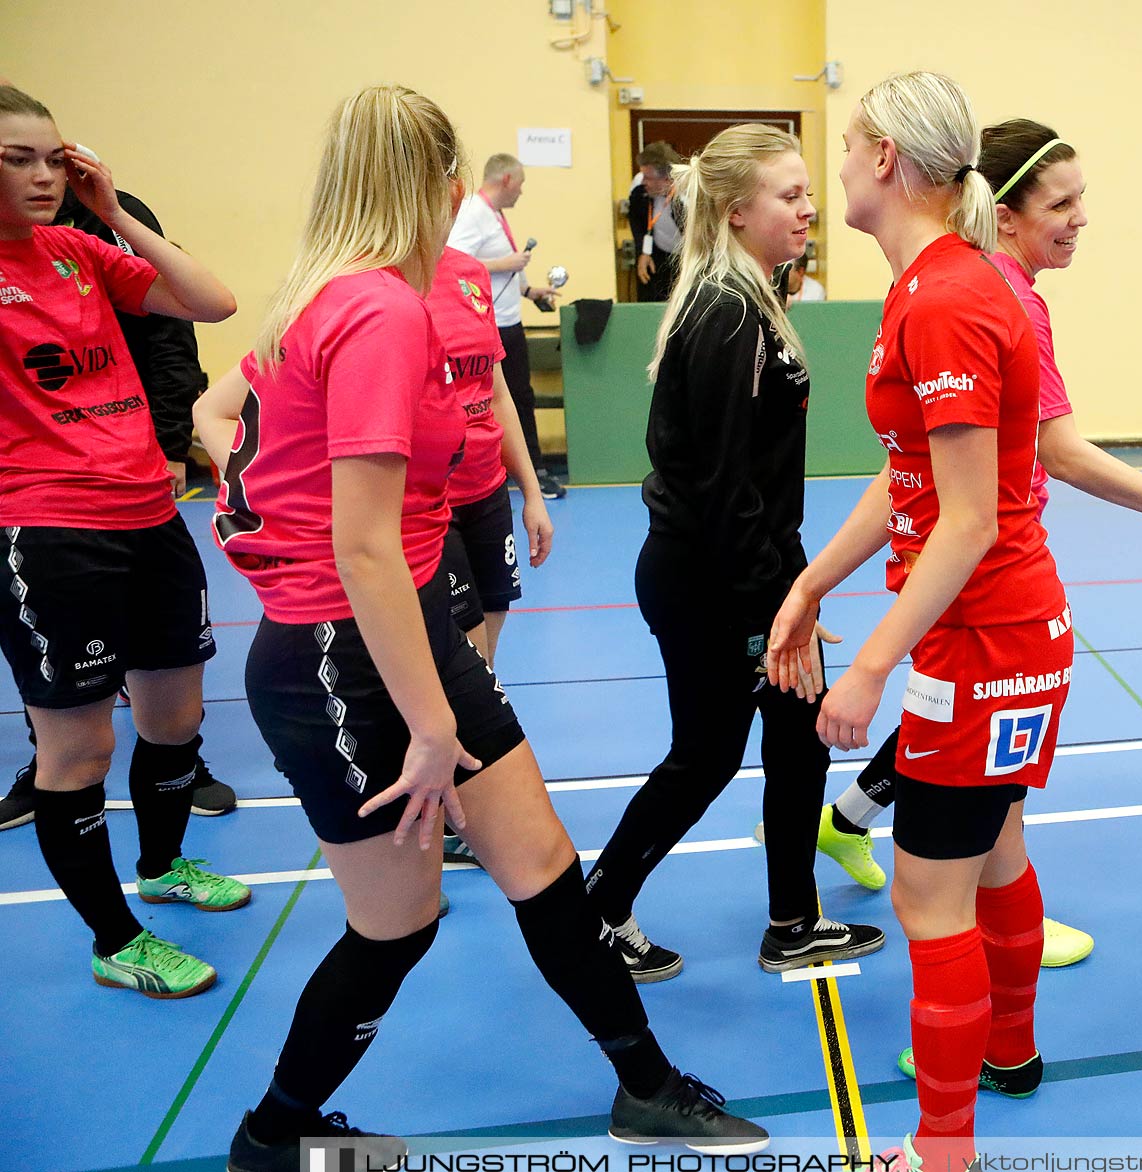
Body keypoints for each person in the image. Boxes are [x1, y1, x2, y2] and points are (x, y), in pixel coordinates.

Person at [191, 86, 765, 1171]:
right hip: (343, 655)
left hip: (405, 634)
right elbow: (360, 548)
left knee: (542, 861)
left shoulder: (331, 294)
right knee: (398, 923)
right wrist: (423, 724)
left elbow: (256, 445)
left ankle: (645, 1086)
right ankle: (275, 1134)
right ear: (442, 185)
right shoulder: (372, 307)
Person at [798, 119, 1142, 975]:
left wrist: (813, 588)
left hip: (989, 597)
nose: (1082, 216)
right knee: (968, 818)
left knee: (984, 797)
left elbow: (926, 472)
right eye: (1063, 201)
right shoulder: (985, 299)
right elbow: (1049, 455)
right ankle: (985, 989)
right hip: (989, 597)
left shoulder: (958, 290)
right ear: (1004, 216)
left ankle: (970, 950)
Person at [765, 72, 1069, 1172]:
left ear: (885, 157)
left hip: (984, 642)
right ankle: (1012, 1053)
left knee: (926, 892)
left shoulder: (946, 297)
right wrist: (811, 585)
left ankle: (943, 1149)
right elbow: (912, 484)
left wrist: (871, 667)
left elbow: (971, 519)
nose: (836, 168)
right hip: (1003, 639)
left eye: (845, 146)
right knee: (989, 854)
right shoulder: (932, 287)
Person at [581, 124, 884, 984]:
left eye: (807, 194)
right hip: (709, 579)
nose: (807, 209)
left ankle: (793, 919)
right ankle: (597, 907)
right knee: (708, 754)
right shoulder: (724, 312)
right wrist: (777, 604)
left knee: (799, 738)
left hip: (747, 566)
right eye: (789, 196)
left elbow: (745, 479)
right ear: (735, 209)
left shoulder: (752, 295)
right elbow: (718, 488)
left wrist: (796, 590)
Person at [0, 84, 245, 998]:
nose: (42, 175)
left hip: (150, 513)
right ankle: (116, 940)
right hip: (51, 533)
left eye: (53, 157)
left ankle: (165, 864)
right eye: (17, 159)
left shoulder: (75, 249)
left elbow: (211, 301)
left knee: (175, 719)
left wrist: (112, 214)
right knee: (80, 754)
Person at [430, 244, 554, 667]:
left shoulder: (469, 273)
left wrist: (531, 494)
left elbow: (496, 392)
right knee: (467, 658)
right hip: (431, 501)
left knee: (487, 645)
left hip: (488, 490)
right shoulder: (385, 279)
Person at [447, 153, 565, 500]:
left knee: (521, 398)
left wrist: (529, 290)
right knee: (504, 401)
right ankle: (524, 473)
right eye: (522, 184)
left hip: (511, 321)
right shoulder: (472, 212)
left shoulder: (494, 215)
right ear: (507, 180)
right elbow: (454, 261)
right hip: (490, 326)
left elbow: (501, 270)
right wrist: (505, 263)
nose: (522, 192)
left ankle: (530, 470)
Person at [629, 141, 683, 302]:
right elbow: (636, 220)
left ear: (667, 180)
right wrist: (643, 252)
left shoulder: (687, 195)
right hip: (658, 254)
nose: (643, 181)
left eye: (648, 177)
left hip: (685, 255)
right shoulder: (640, 187)